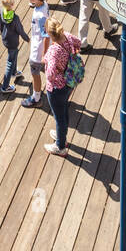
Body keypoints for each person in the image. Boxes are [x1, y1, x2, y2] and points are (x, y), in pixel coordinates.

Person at [42, 18, 82, 156]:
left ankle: (60, 146)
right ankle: (62, 135)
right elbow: (79, 43)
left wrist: (46, 60)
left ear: (49, 33)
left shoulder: (54, 50)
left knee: (59, 116)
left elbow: (50, 74)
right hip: (69, 82)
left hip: (57, 88)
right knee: (63, 109)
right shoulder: (68, 37)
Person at [0, 0, 31, 95]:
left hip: (5, 39)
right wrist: (27, 39)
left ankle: (14, 72)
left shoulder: (1, 11)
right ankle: (5, 86)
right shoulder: (15, 18)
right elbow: (20, 31)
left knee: (14, 53)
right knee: (10, 61)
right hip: (13, 42)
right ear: (12, 5)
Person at [21, 0, 50, 108]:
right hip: (38, 45)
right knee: (46, 70)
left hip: (37, 51)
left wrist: (43, 55)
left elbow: (46, 36)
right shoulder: (44, 6)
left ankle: (36, 97)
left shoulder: (39, 15)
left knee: (35, 73)